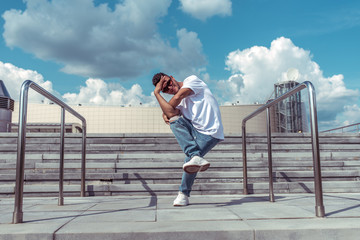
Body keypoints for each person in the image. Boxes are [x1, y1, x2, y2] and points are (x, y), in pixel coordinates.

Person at [152, 72, 224, 206]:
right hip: (195, 131)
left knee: (190, 159)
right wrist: (157, 95)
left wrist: (165, 110)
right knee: (174, 118)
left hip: (210, 132)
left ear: (172, 77)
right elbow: (170, 113)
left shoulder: (192, 80)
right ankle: (194, 156)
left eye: (168, 82)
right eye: (165, 89)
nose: (169, 87)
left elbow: (179, 96)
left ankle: (183, 194)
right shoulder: (179, 103)